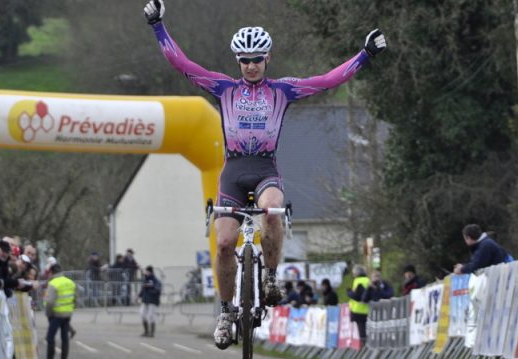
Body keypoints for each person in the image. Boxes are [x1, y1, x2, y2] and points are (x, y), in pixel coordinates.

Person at [143, 0, 387, 349]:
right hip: (233, 171)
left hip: (264, 169)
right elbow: (180, 63)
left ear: (267, 59)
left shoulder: (282, 91)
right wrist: (157, 25)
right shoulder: (223, 88)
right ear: (237, 61)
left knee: (273, 210)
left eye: (257, 59)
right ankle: (226, 313)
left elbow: (328, 80)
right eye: (245, 60)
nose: (251, 65)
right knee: (225, 243)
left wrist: (364, 55)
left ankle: (271, 278)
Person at [44, 264, 76, 359]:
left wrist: (48, 314)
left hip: (56, 315)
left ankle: (50, 357)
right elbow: (75, 298)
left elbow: (49, 302)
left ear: (51, 272)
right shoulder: (70, 282)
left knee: (50, 337)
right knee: (64, 338)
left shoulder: (53, 283)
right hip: (67, 314)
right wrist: (70, 310)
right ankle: (64, 357)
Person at [346, 265, 370, 347]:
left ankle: (364, 349)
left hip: (358, 309)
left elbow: (357, 296)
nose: (353, 275)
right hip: (368, 308)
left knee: (362, 331)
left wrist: (349, 292)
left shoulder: (357, 281)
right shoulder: (368, 280)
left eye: (353, 273)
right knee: (367, 330)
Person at [138, 265, 162, 337]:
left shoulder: (155, 280)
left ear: (150, 272)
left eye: (147, 271)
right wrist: (138, 296)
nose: (145, 273)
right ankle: (146, 331)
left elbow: (158, 289)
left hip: (152, 300)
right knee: (142, 313)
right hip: (145, 300)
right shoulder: (145, 279)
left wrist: (151, 287)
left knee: (151, 316)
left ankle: (151, 332)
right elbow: (143, 289)